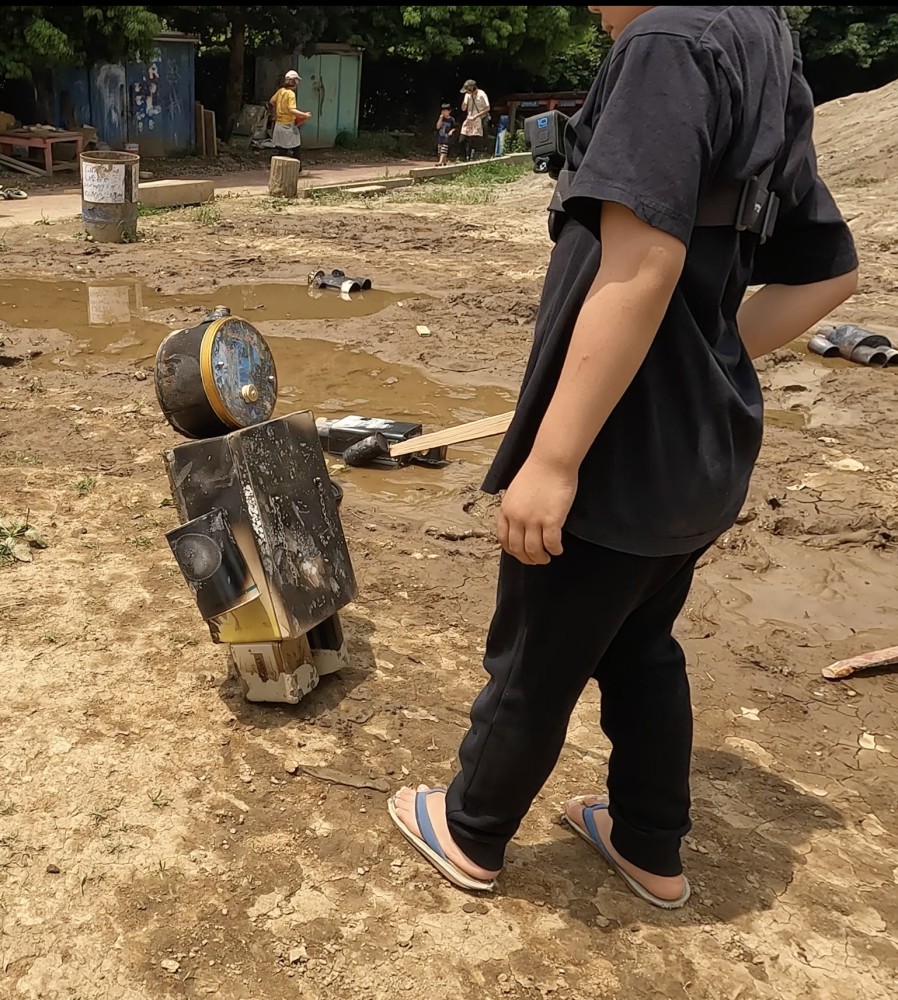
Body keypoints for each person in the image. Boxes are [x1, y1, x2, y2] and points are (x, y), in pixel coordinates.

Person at [389, 5, 858, 906]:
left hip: (617, 448)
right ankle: (648, 841)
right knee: (641, 644)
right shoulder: (763, 44)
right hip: (700, 453)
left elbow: (641, 261)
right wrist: (710, 361)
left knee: (536, 654)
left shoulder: (666, 43)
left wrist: (554, 459)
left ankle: (471, 828)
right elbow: (830, 271)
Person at [269, 69, 312, 165]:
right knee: (296, 148)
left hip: (278, 125)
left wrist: (277, 111)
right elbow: (292, 110)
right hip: (288, 126)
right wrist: (305, 115)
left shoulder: (280, 91)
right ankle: (298, 169)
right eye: (297, 80)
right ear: (294, 81)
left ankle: (279, 169)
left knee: (282, 149)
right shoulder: (291, 94)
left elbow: (272, 101)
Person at [458, 79, 490, 161]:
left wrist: (477, 115)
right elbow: (463, 109)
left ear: (472, 88)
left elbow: (487, 108)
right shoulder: (467, 95)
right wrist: (464, 102)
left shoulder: (481, 94)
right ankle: (462, 157)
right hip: (469, 118)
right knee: (462, 139)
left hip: (479, 119)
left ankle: (472, 158)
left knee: (474, 140)